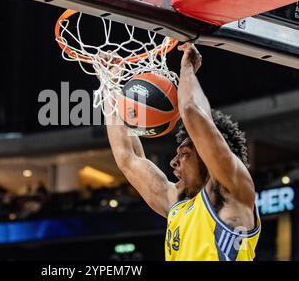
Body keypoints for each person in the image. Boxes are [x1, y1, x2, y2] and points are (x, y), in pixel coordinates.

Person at [105, 43, 261, 261]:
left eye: (185, 154)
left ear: (209, 157)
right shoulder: (177, 202)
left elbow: (191, 111)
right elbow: (128, 158)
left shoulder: (231, 190)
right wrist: (110, 85)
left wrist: (187, 67)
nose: (173, 162)